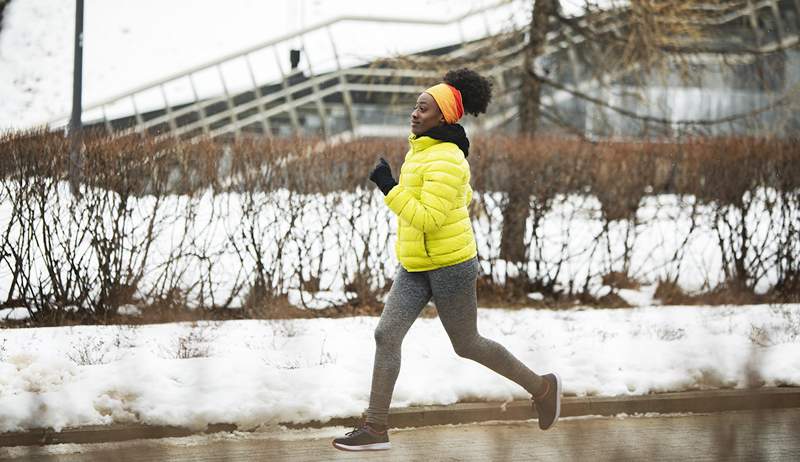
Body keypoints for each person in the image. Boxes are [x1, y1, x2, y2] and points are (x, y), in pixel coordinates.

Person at [332, 68, 561, 452]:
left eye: (424, 108)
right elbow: (418, 216)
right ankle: (375, 427)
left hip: (451, 265)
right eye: (416, 106)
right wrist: (395, 189)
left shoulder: (448, 160)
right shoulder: (420, 151)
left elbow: (426, 217)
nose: (415, 113)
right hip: (415, 264)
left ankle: (543, 387)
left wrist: (388, 186)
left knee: (467, 343)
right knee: (386, 334)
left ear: (443, 117)